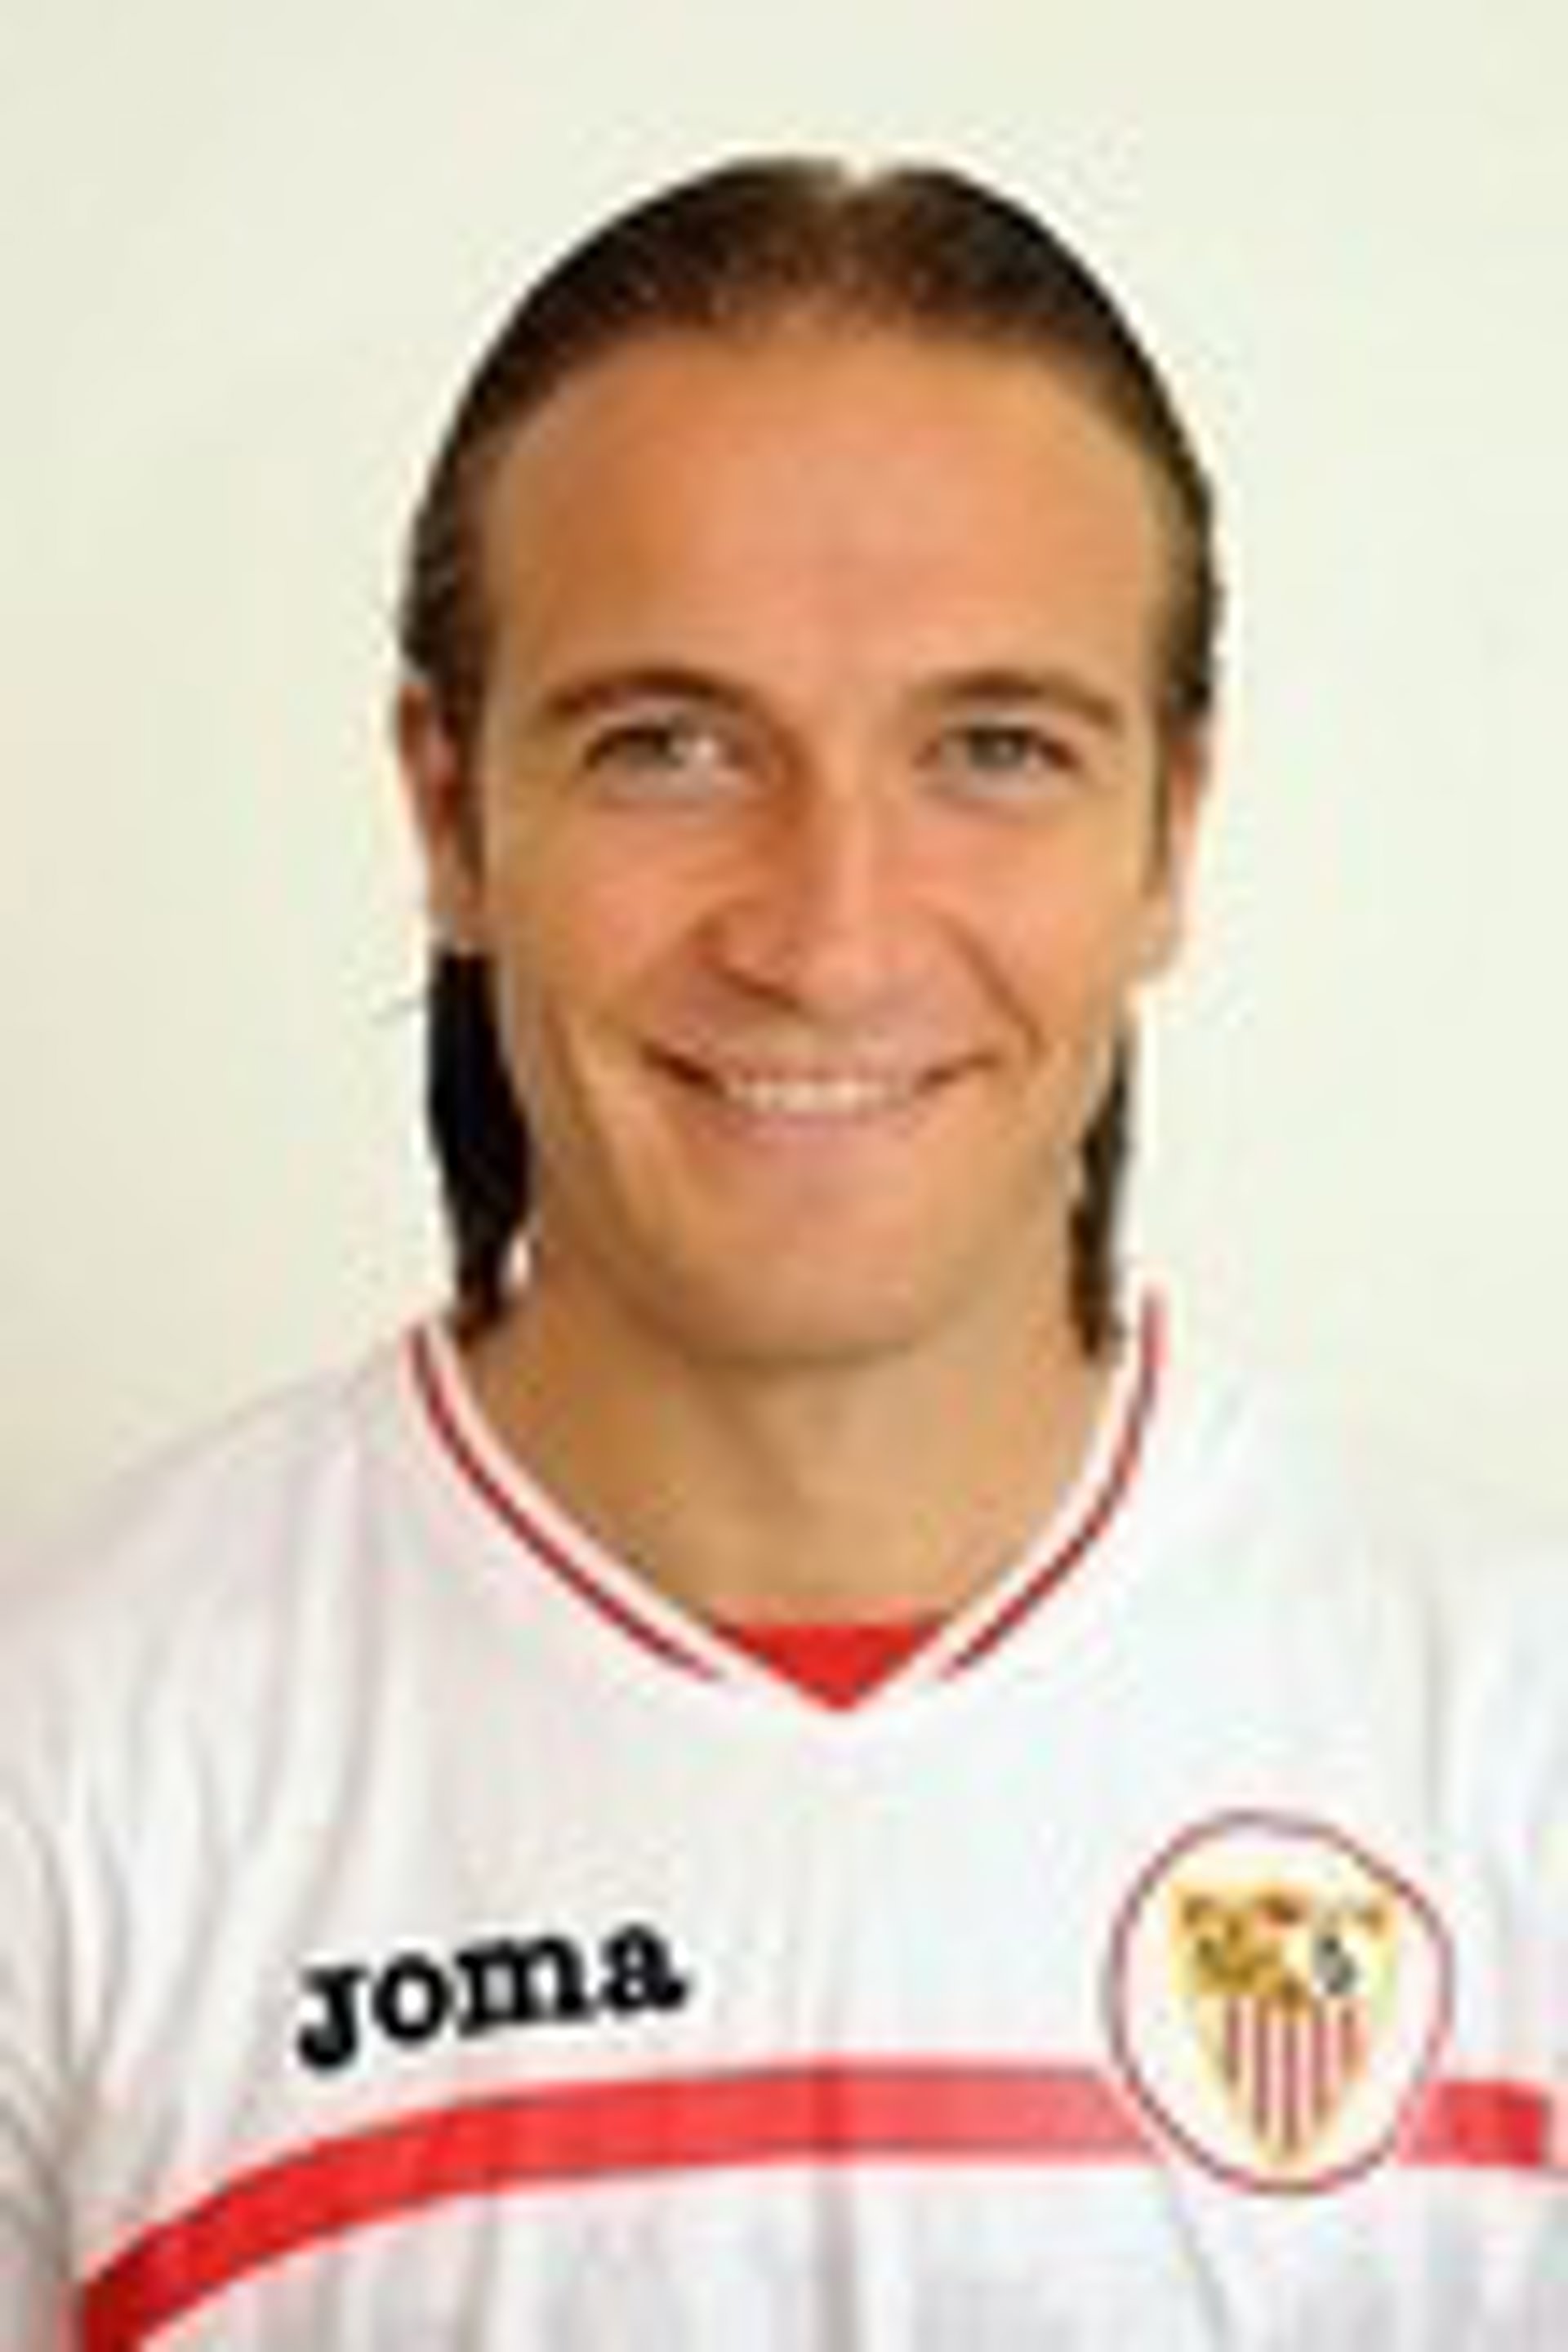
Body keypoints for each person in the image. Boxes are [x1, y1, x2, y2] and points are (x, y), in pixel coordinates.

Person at [1, 154, 1563, 2349]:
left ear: (1172, 833)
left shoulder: (1517, 1756)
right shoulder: (65, 1769)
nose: (829, 940)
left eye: (995, 750)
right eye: (668, 747)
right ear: (448, 812)